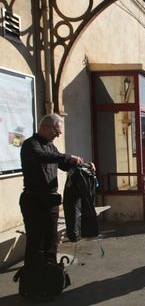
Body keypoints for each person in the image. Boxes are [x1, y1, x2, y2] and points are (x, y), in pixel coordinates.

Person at [19, 114, 88, 267]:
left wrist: (84, 165)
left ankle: (50, 272)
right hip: (33, 200)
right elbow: (41, 156)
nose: (59, 134)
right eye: (56, 131)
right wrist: (68, 156)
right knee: (36, 239)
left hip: (50, 200)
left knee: (52, 239)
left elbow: (63, 164)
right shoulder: (31, 144)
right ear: (44, 128)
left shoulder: (51, 146)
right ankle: (34, 275)